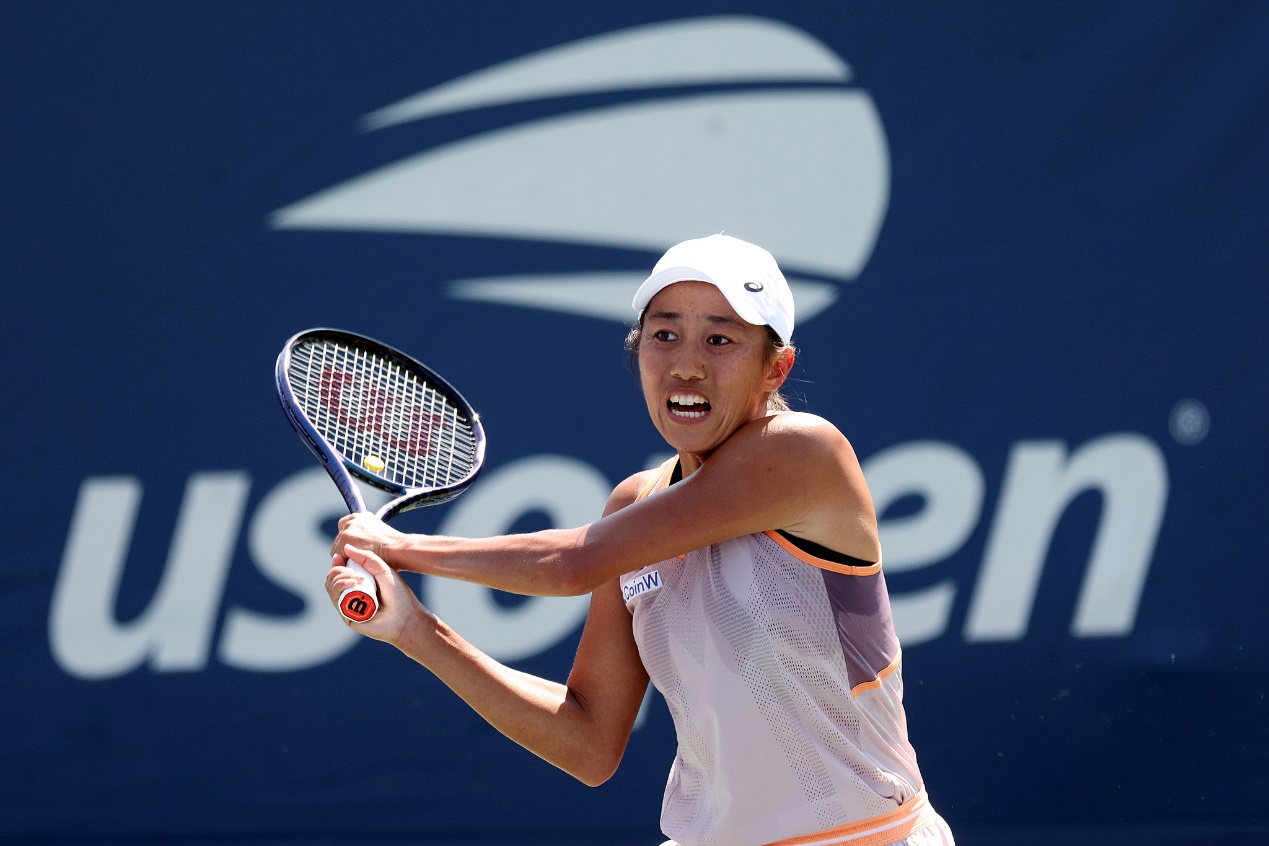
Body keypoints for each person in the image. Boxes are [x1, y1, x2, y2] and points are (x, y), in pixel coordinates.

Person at [327, 234, 955, 846]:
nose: (686, 363)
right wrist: (411, 628)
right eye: (664, 335)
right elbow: (587, 741)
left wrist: (396, 544)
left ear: (776, 366)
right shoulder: (634, 502)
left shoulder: (803, 451)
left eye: (720, 339)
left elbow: (571, 565)